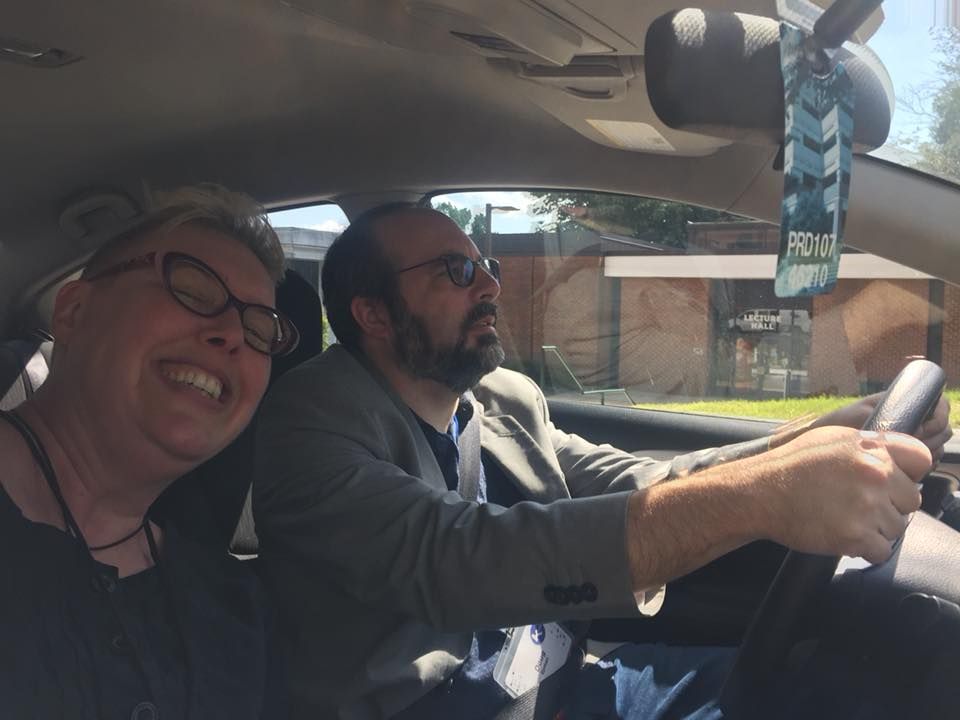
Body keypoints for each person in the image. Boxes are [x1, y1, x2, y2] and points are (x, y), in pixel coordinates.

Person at [252, 204, 950, 720]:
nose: (490, 287)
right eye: (457, 272)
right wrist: (761, 498)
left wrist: (797, 443)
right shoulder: (310, 423)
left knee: (825, 694)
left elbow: (632, 482)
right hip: (450, 706)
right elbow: (457, 559)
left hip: (570, 685)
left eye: (486, 267)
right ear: (372, 314)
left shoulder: (496, 395)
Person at [0, 184, 299, 719]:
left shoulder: (234, 609)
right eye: (192, 289)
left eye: (259, 332)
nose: (232, 333)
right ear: (74, 312)